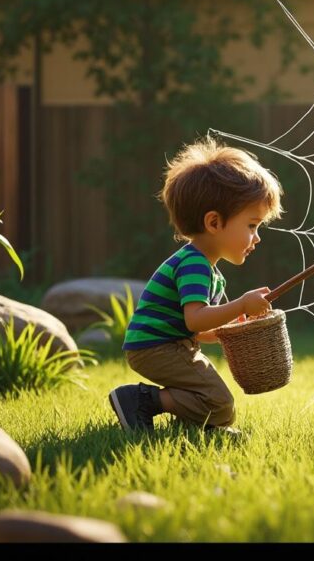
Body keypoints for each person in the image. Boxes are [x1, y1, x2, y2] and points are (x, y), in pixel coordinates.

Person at [108, 136, 283, 433]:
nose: (257, 237)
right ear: (214, 223)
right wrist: (240, 304)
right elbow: (195, 318)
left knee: (214, 401)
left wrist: (230, 330)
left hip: (168, 345)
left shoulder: (206, 268)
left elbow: (199, 329)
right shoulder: (195, 265)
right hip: (157, 348)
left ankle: (193, 422)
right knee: (219, 402)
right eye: (252, 225)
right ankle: (140, 400)